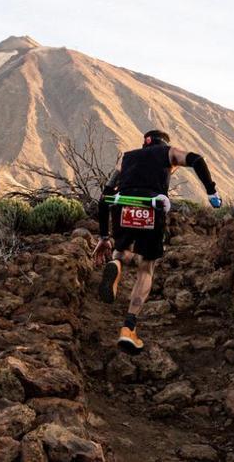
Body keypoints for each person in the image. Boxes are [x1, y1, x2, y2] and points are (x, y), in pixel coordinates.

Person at [92, 129, 222, 353]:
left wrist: (104, 236)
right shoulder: (168, 153)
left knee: (121, 251)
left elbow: (105, 195)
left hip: (123, 205)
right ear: (164, 143)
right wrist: (211, 191)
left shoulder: (127, 158)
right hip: (151, 207)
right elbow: (196, 159)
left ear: (145, 142)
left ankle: (116, 262)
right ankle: (128, 328)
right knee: (146, 268)